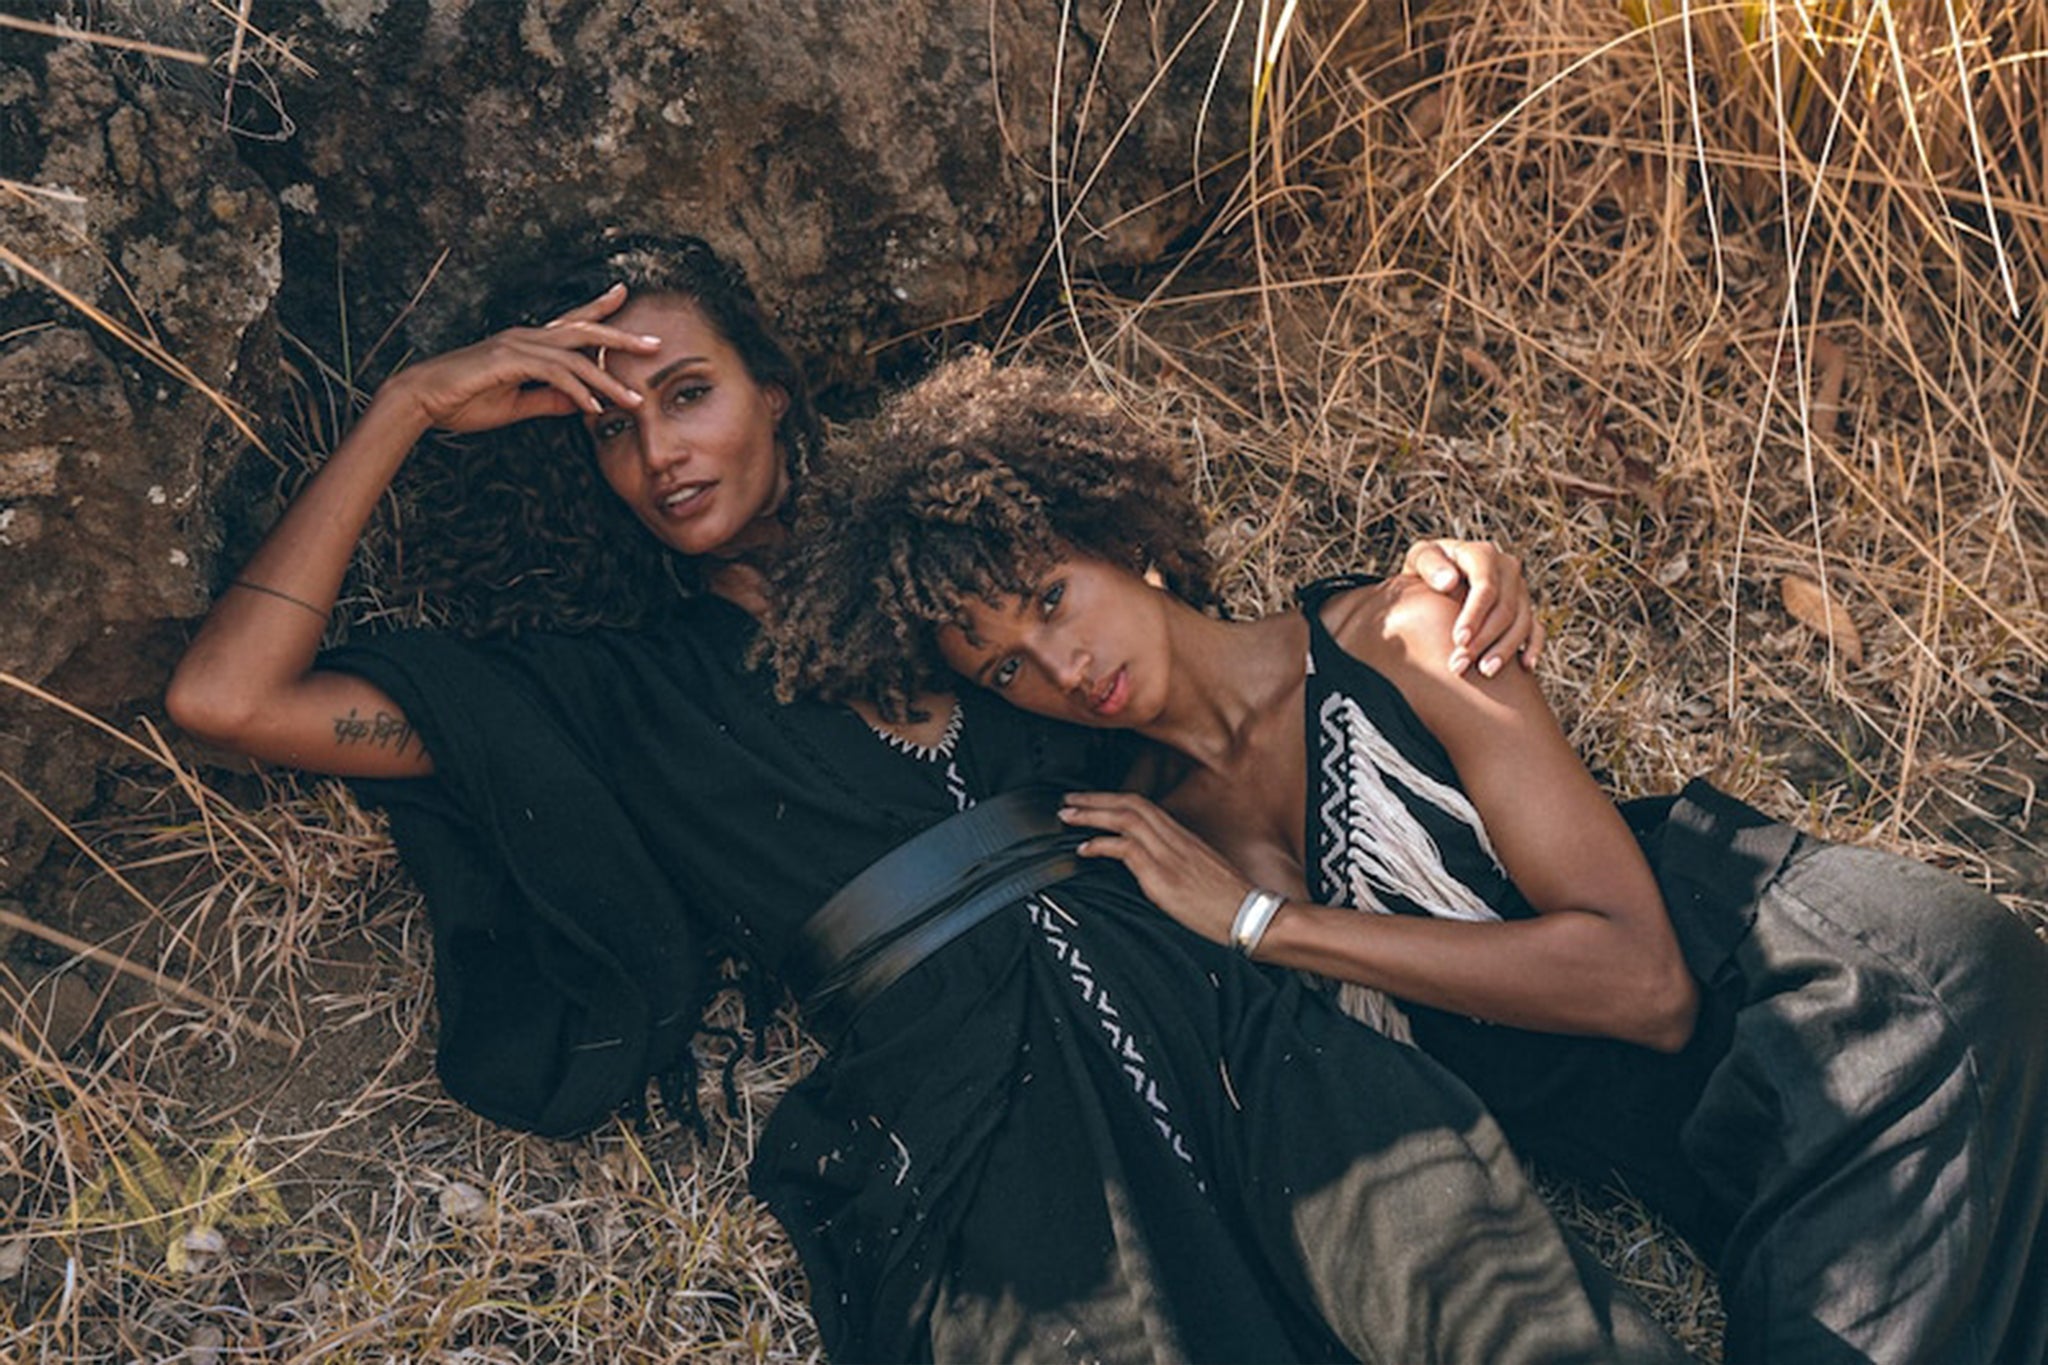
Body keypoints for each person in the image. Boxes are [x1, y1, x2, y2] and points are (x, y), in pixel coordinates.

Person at [166, 236, 1692, 1363]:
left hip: (1228, 1015)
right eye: (611, 429)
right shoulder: (607, 694)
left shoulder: (968, 569)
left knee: (1502, 1321)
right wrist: (410, 408)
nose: (659, 449)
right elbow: (229, 701)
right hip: (959, 1102)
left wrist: (1451, 566)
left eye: (688, 393)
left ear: (774, 392)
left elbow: (1245, 674)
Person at [767, 353, 2048, 1365]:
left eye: (1049, 597)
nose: (1059, 667)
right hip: (1733, 1163)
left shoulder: (1402, 629)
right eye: (1003, 666)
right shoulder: (1142, 854)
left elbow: (1642, 985)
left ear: (1114, 532)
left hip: (1853, 1012)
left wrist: (1267, 923)